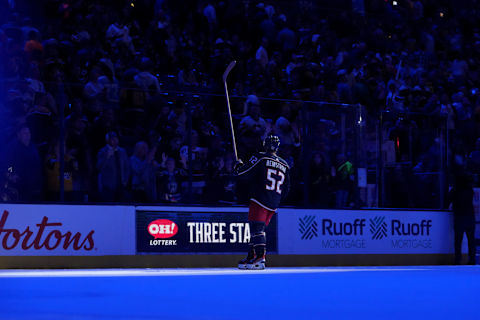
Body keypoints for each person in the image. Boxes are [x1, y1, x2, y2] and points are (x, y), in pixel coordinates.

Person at [235, 135, 290, 270]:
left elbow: (244, 173)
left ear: (265, 145)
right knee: (257, 229)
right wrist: (277, 200)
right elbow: (287, 188)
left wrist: (238, 167)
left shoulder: (261, 157)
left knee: (257, 229)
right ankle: (251, 256)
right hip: (273, 201)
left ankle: (260, 258)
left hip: (260, 198)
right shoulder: (285, 164)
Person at [447, 174, 476, 265]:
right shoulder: (470, 191)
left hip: (460, 218)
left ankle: (458, 259)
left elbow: (447, 200)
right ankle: (472, 259)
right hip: (470, 218)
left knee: (458, 240)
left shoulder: (455, 190)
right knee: (471, 240)